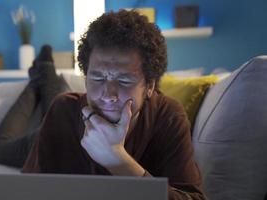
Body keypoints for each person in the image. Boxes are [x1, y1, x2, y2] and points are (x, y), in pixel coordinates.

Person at [22, 10, 206, 199]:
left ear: (149, 86)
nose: (108, 95)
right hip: (30, 141)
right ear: (85, 79)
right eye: (97, 78)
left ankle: (43, 77)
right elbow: (27, 191)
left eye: (124, 81)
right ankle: (40, 79)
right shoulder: (63, 110)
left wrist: (119, 161)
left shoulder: (168, 116)